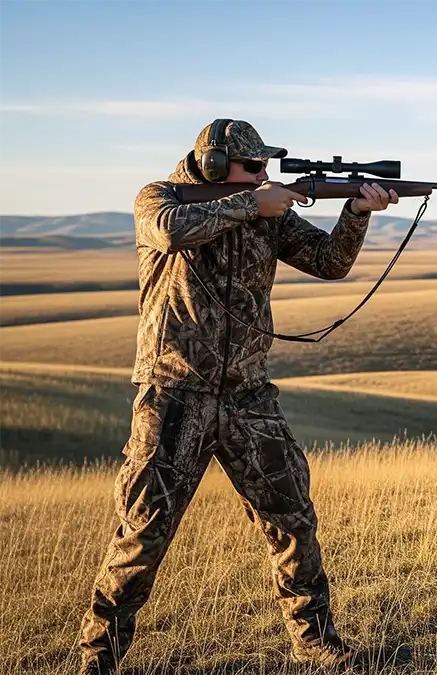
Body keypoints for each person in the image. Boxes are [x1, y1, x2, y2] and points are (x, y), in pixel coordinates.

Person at [77, 119, 400, 674]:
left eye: (265, 167)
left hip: (249, 396)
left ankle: (315, 641)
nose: (264, 176)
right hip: (174, 392)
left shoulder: (268, 213)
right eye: (253, 167)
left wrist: (357, 212)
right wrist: (253, 203)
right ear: (211, 164)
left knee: (292, 520)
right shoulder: (160, 199)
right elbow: (171, 231)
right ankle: (98, 658)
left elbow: (331, 263)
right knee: (143, 532)